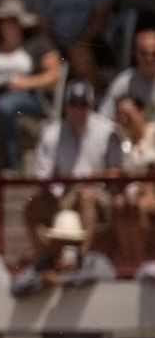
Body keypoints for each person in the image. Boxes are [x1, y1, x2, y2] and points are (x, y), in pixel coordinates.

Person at [27, 80, 123, 248]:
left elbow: (117, 172)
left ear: (90, 106)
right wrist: (54, 191)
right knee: (33, 206)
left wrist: (91, 179)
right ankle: (44, 259)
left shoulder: (107, 131)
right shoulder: (51, 134)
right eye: (74, 105)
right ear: (66, 106)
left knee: (85, 196)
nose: (78, 110)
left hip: (99, 193)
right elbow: (42, 176)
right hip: (63, 194)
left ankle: (82, 259)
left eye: (83, 105)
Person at [0, 0, 62, 173]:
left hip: (29, 98)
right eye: (5, 20)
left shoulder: (37, 45)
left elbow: (54, 75)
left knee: (7, 106)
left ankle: (12, 164)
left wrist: (26, 83)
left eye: (13, 20)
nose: (9, 25)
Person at [12, 210, 116, 297]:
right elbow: (17, 287)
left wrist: (64, 278)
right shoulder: (45, 264)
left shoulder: (94, 261)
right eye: (60, 242)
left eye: (71, 243)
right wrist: (42, 281)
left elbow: (108, 275)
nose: (65, 247)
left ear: (78, 245)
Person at [113, 94, 155, 263]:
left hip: (151, 191)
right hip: (133, 192)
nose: (124, 119)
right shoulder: (124, 142)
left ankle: (142, 261)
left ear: (140, 112)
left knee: (140, 207)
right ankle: (129, 259)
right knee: (119, 204)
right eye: (120, 115)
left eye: (127, 113)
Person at [101, 29, 155, 119]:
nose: (149, 58)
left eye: (154, 53)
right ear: (135, 54)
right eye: (144, 53)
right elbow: (104, 117)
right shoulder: (124, 82)